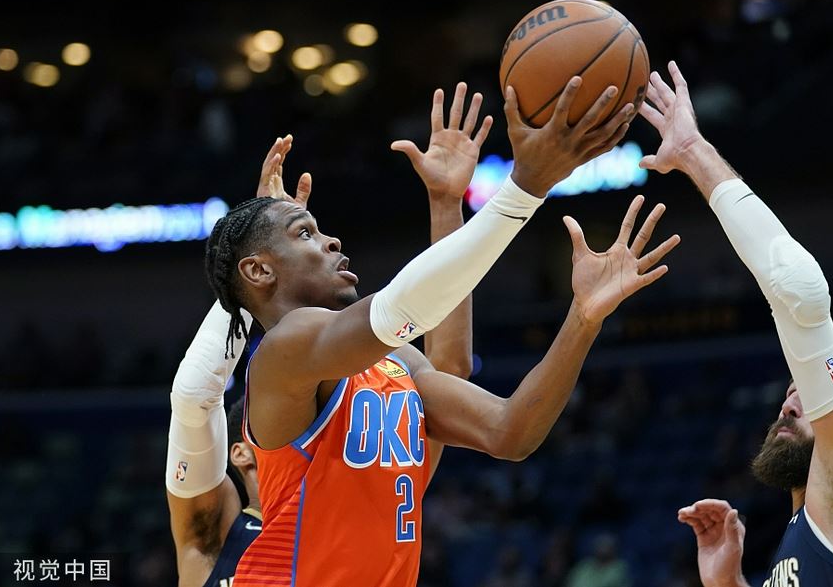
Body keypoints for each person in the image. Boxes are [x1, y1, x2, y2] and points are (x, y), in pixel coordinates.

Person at [208, 78, 679, 587]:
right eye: (305, 233)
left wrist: (583, 316)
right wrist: (525, 186)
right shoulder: (283, 350)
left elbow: (507, 430)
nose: (332, 240)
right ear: (259, 271)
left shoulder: (393, 365)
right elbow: (401, 309)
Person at [165, 81, 484, 587]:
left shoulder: (364, 474)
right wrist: (249, 269)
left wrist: (265, 263)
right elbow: (193, 395)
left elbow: (448, 371)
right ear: (242, 450)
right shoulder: (216, 531)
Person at [639, 61, 833, 586]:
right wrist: (729, 582)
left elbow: (799, 291)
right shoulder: (822, 530)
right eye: (791, 395)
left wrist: (692, 151)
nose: (788, 404)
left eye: (806, 396)